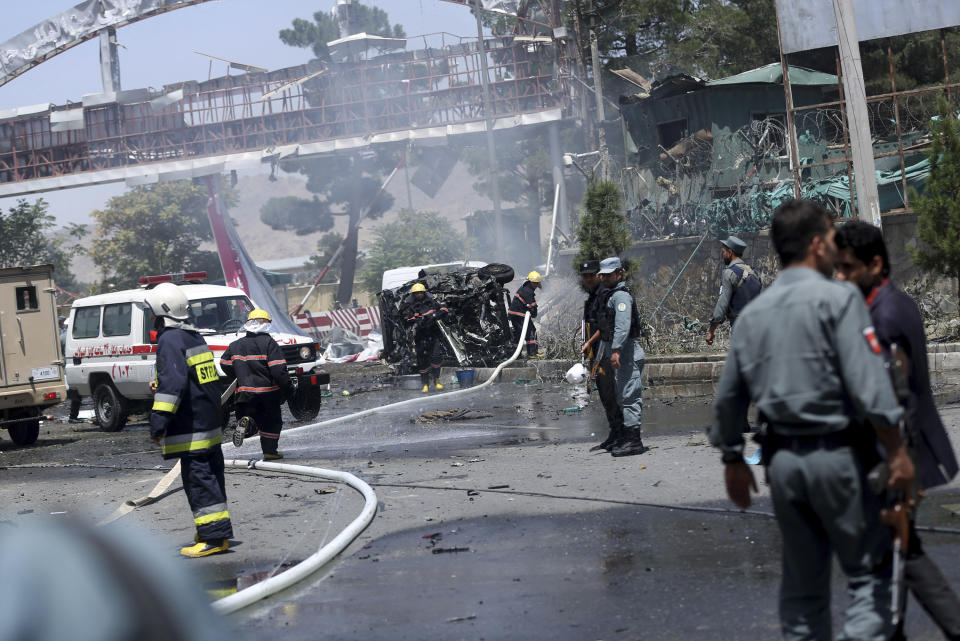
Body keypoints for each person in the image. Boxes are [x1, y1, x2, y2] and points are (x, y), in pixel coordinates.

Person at [711, 199, 914, 641]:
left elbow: (728, 398)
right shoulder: (839, 299)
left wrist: (732, 459)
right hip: (839, 459)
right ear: (819, 244)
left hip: (783, 466)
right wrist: (897, 452)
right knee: (865, 580)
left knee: (803, 592)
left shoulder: (754, 315)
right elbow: (869, 385)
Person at [835, 220, 960, 640]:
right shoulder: (893, 302)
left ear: (875, 263)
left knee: (895, 557)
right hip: (899, 457)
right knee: (902, 556)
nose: (841, 277)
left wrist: (900, 469)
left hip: (896, 459)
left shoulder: (883, 316)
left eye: (848, 267)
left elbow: (898, 398)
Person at [146, 282, 233, 558]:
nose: (151, 319)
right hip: (209, 424)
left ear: (161, 313)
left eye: (152, 313)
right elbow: (199, 380)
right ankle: (214, 529)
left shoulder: (169, 340)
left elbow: (172, 388)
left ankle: (213, 538)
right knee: (211, 478)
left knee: (199, 481)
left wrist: (158, 424)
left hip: (192, 428)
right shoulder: (194, 337)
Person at [220, 308, 293, 460]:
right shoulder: (269, 344)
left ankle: (246, 423)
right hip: (267, 395)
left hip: (243, 394)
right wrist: (289, 389)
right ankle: (269, 451)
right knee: (271, 422)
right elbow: (279, 371)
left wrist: (239, 374)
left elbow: (224, 363)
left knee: (250, 420)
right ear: (266, 325)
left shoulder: (235, 345)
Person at [596, 257, 646, 457]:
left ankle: (634, 441)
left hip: (626, 354)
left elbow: (623, 326)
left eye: (609, 275)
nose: (605, 278)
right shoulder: (612, 295)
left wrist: (616, 350)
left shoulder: (621, 297)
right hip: (619, 354)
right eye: (603, 275)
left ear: (619, 274)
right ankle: (626, 437)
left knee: (629, 396)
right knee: (622, 395)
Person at [579, 259, 623, 452]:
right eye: (585, 276)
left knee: (609, 393)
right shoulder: (592, 295)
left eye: (591, 275)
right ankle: (614, 434)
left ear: (599, 275)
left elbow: (603, 326)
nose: (588, 279)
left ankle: (620, 434)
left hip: (604, 349)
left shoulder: (604, 294)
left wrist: (589, 342)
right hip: (595, 350)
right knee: (605, 395)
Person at [706, 235, 761, 345]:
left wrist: (711, 330)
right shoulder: (754, 273)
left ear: (730, 252)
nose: (722, 255)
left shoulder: (729, 273)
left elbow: (722, 304)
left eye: (723, 252)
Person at [406, 282, 448, 393]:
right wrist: (419, 320)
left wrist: (435, 315)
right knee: (422, 361)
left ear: (424, 293)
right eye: (416, 293)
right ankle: (425, 384)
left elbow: (444, 309)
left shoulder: (432, 303)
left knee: (436, 357)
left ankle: (437, 381)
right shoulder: (412, 307)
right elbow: (408, 320)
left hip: (433, 335)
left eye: (420, 292)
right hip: (421, 337)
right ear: (414, 295)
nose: (419, 295)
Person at [508, 271, 541, 358]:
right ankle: (532, 353)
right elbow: (532, 306)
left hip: (516, 314)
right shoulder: (528, 291)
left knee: (519, 334)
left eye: (537, 283)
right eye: (535, 283)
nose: (536, 285)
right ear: (530, 282)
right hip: (519, 315)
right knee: (531, 331)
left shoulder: (525, 288)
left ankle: (516, 355)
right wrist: (534, 312)